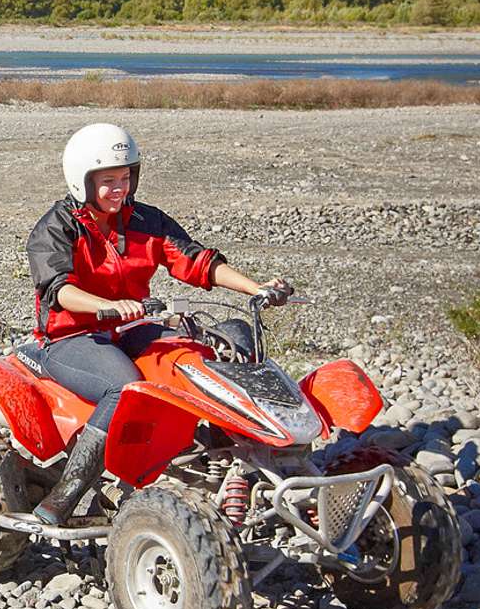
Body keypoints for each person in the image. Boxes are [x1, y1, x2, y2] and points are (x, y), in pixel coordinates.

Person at [26, 122, 294, 524]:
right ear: (82, 180)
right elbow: (58, 290)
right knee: (124, 387)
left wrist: (255, 289)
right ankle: (68, 492)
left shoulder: (146, 221)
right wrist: (108, 306)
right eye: (108, 180)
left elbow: (197, 262)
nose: (120, 188)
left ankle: (229, 456)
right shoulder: (56, 228)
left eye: (125, 177)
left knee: (211, 351)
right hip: (71, 338)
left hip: (130, 330)